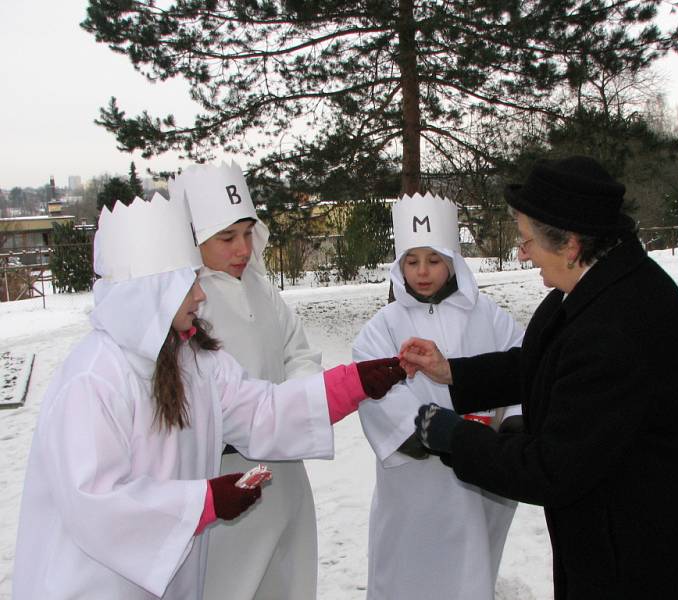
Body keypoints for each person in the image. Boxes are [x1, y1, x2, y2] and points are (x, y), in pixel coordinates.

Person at [12, 194, 405, 600]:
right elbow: (95, 500)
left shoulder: (192, 360)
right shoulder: (94, 378)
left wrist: (352, 384)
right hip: (91, 586)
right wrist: (204, 501)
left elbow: (259, 411)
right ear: (152, 291)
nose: (201, 296)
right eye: (190, 283)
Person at [402, 156, 678, 600]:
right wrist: (452, 371)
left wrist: (456, 438)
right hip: (623, 528)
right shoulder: (598, 284)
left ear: (570, 244)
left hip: (661, 555)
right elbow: (539, 361)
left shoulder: (620, 325)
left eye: (528, 239)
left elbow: (552, 468)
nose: (521, 252)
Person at [353, 192, 524, 600]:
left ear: (453, 260)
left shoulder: (487, 315)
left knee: (470, 563)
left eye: (433, 260)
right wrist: (420, 434)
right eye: (412, 262)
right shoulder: (386, 325)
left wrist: (514, 420)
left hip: (480, 465)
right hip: (415, 478)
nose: (423, 272)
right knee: (407, 564)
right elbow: (373, 386)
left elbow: (521, 365)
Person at [170, 161, 326, 600]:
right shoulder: (187, 301)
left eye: (247, 234)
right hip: (225, 472)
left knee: (287, 575)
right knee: (232, 580)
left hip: (284, 464)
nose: (242, 248)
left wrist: (292, 402)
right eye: (226, 238)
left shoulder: (262, 288)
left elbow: (299, 351)